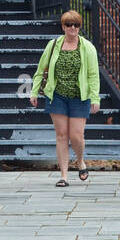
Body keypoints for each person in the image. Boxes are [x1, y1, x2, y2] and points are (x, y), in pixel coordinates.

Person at [29, 10, 101, 187]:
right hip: (57, 95)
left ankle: (81, 160)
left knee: (76, 136)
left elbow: (93, 74)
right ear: (63, 26)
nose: (73, 28)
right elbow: (41, 69)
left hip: (80, 96)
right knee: (61, 136)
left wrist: (95, 97)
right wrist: (34, 91)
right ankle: (64, 175)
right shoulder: (53, 45)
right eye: (69, 24)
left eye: (76, 24)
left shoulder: (87, 47)